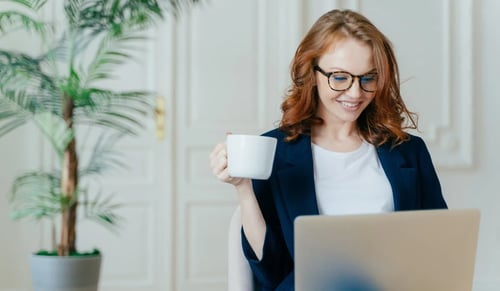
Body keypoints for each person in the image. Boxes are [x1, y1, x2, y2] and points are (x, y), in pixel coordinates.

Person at [209, 9, 447, 291]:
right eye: (340, 77)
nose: (356, 93)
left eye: (368, 78)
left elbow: (438, 252)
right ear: (312, 73)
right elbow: (271, 271)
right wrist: (244, 189)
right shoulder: (275, 152)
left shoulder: (408, 151)